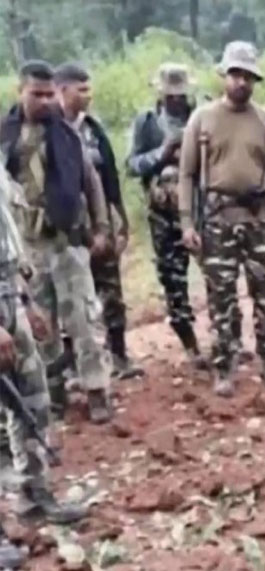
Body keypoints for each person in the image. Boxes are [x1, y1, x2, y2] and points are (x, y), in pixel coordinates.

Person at [178, 41, 265, 398]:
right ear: (224, 76)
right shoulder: (202, 119)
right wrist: (187, 222)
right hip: (218, 220)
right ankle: (224, 365)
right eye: (235, 74)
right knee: (221, 298)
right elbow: (186, 174)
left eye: (248, 76)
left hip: (260, 219)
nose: (241, 82)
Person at [0, 60, 113, 424]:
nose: (46, 101)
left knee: (83, 319)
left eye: (51, 94)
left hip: (66, 242)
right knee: (40, 325)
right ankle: (54, 392)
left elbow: (91, 182)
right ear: (21, 92)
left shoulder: (66, 135)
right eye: (38, 94)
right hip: (26, 249)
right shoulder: (5, 135)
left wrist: (101, 227)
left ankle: (97, 389)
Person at [0, 155, 88, 527]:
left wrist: (25, 300)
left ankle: (34, 495)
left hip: (8, 295)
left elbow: (8, 241)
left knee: (31, 400)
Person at [55, 62, 144, 381]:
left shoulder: (93, 129)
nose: (88, 95)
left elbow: (109, 177)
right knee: (67, 301)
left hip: (99, 223)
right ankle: (71, 368)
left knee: (111, 292)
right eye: (82, 89)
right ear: (62, 90)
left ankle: (119, 356)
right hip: (63, 232)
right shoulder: (48, 131)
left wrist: (118, 220)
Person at [127, 63, 209, 370]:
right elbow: (132, 165)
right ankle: (192, 347)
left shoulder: (203, 116)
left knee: (219, 278)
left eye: (180, 94)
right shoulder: (147, 123)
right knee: (174, 282)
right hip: (163, 216)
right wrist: (163, 152)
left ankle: (227, 341)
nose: (176, 99)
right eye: (170, 94)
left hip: (202, 212)